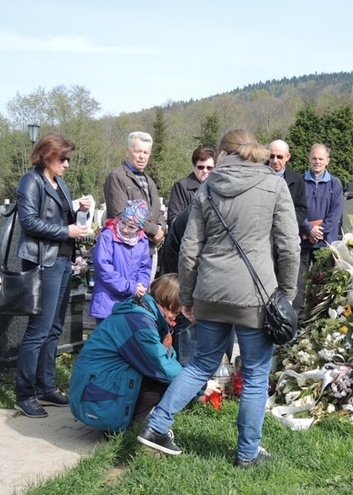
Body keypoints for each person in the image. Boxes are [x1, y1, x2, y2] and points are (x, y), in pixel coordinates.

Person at [137, 129, 299, 468]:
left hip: (210, 291)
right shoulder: (273, 183)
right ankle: (247, 453)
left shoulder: (209, 186)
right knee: (255, 374)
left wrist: (187, 296)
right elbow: (289, 247)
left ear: (225, 154)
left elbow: (189, 248)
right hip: (256, 297)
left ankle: (156, 426)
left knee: (199, 364)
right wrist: (287, 293)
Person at [14, 133, 91, 418]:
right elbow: (29, 221)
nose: (67, 164)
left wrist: (78, 212)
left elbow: (64, 220)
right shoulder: (30, 181)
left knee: (54, 329)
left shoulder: (61, 184)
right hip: (41, 263)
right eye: (63, 158)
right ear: (47, 155)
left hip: (61, 262)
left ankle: (46, 387)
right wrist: (65, 231)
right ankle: (24, 394)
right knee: (38, 330)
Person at [69, 274, 185, 431]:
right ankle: (127, 428)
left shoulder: (146, 314)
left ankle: (131, 423)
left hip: (98, 385)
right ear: (169, 303)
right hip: (93, 397)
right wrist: (200, 386)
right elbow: (161, 365)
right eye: (176, 312)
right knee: (160, 380)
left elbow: (165, 360)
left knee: (162, 377)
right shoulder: (138, 321)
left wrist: (167, 344)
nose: (176, 318)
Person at [103, 131, 167, 279]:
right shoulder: (117, 177)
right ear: (127, 151)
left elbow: (157, 211)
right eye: (138, 151)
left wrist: (161, 229)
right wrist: (153, 230)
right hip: (126, 251)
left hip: (148, 250)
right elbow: (120, 215)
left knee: (143, 296)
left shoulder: (149, 181)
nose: (142, 156)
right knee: (128, 296)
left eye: (146, 152)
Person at [294, 143, 343, 314]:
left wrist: (319, 231)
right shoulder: (299, 181)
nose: (317, 161)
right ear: (309, 159)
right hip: (303, 241)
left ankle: (316, 319)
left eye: (321, 158)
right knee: (298, 283)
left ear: (327, 161)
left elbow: (335, 213)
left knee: (321, 283)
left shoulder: (335, 184)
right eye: (314, 158)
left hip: (325, 244)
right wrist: (308, 228)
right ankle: (297, 319)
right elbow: (295, 208)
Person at [89, 199, 152, 324]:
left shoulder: (142, 240)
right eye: (123, 223)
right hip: (107, 302)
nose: (125, 229)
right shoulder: (108, 236)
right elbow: (103, 268)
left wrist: (141, 286)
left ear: (140, 228)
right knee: (106, 341)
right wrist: (130, 287)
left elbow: (144, 268)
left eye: (132, 227)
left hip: (131, 301)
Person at [166, 146, 216, 226]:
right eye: (201, 167)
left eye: (209, 168)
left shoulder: (216, 188)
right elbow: (173, 220)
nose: (205, 171)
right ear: (194, 167)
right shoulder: (181, 187)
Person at [267, 140, 308, 229]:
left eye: (279, 157)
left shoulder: (297, 179)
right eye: (271, 156)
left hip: (286, 231)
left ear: (288, 157)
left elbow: (301, 209)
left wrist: (289, 224)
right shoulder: (259, 175)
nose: (275, 160)